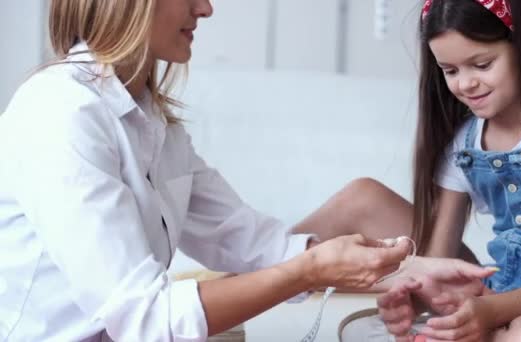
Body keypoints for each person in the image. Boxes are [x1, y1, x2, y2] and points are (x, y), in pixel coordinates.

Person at [0, 1, 426, 341]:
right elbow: (146, 320)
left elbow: (250, 240)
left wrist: (410, 268)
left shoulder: (153, 125)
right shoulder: (61, 113)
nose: (206, 8)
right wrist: (310, 270)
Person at [376, 0, 521, 341]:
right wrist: (412, 294)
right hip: (498, 293)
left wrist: (492, 312)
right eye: (450, 71)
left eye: (481, 64)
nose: (465, 84)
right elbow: (437, 258)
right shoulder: (464, 143)